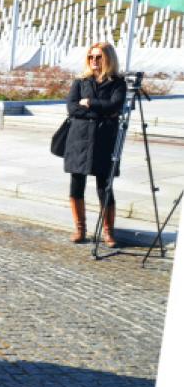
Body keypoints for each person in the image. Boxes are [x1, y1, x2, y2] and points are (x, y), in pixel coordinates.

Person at [64, 42, 125, 247]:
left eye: (98, 57)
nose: (94, 61)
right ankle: (80, 229)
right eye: (91, 57)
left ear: (108, 58)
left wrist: (89, 102)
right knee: (76, 183)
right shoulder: (81, 81)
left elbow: (116, 105)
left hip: (104, 139)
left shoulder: (117, 82)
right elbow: (72, 108)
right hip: (79, 138)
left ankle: (108, 231)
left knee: (104, 186)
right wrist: (102, 110)